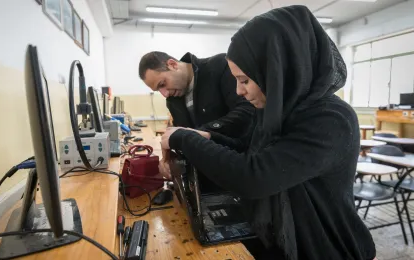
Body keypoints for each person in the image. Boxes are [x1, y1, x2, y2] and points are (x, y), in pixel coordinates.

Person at [160, 5, 376, 260]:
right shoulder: (278, 108)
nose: (239, 92)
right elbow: (253, 152)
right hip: (284, 237)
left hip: (324, 246)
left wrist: (185, 138)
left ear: (277, 70)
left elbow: (255, 176)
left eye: (245, 80)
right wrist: (210, 137)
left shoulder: (331, 119)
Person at [139, 51, 255, 177]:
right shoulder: (173, 101)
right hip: (205, 178)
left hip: (240, 169)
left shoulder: (218, 66)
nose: (165, 94)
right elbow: (186, 144)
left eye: (162, 84)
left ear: (172, 65)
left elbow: (246, 111)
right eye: (158, 90)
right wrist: (171, 161)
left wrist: (199, 133)